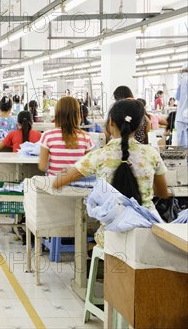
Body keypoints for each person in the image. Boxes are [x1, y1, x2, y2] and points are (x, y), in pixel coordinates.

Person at [53, 99, 170, 246]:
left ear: (111, 122)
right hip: (147, 233)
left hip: (112, 236)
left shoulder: (100, 155)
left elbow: (59, 181)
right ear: (140, 125)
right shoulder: (152, 154)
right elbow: (162, 193)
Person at [38, 96, 94, 176]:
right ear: (78, 114)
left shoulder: (47, 136)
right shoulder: (86, 137)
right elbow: (88, 167)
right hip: (78, 185)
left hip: (55, 184)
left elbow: (42, 167)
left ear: (57, 115)